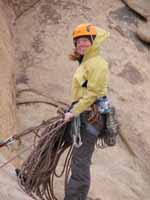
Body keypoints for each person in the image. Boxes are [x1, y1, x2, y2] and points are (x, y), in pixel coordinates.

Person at [64, 23, 110, 200]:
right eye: (78, 42)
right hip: (79, 112)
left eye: (85, 40)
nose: (80, 44)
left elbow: (93, 94)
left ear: (93, 41)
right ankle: (32, 175)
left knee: (80, 160)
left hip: (91, 117)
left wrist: (73, 112)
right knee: (49, 141)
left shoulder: (99, 64)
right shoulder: (86, 62)